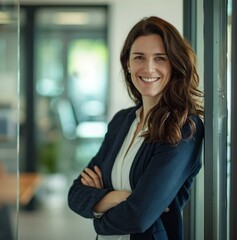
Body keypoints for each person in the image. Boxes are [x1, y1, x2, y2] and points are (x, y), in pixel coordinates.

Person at [68, 16, 204, 240]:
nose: (148, 67)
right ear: (128, 64)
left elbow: (138, 218)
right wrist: (118, 197)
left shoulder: (183, 128)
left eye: (160, 58)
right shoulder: (122, 120)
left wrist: (99, 216)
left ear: (174, 64)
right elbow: (75, 193)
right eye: (139, 57)